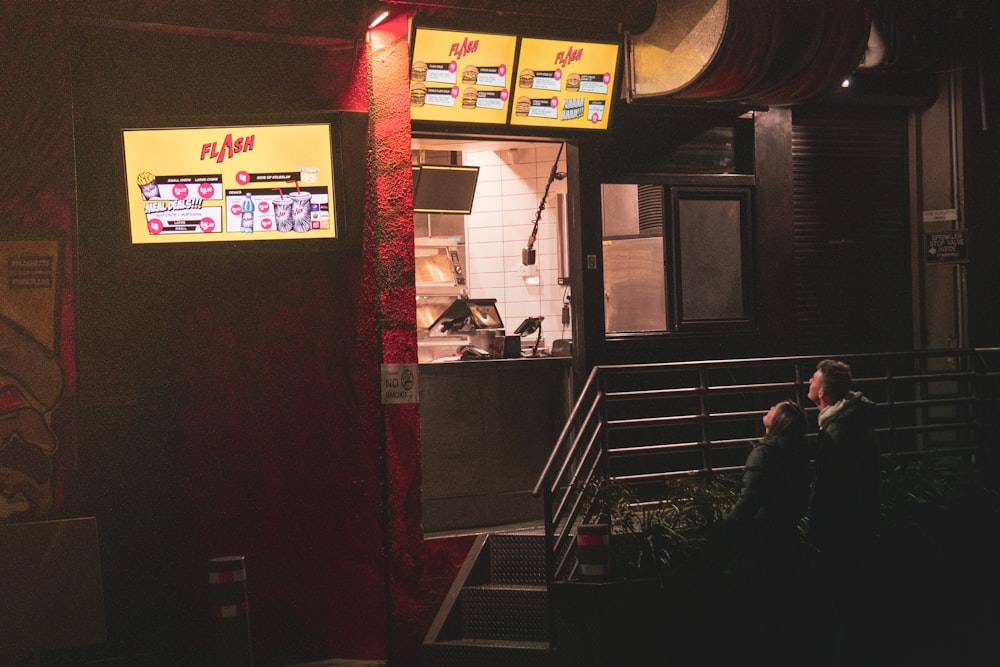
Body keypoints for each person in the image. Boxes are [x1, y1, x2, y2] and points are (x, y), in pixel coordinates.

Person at [805, 358, 881, 665]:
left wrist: (818, 526)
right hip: (860, 523)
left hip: (842, 529)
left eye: (812, 379)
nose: (807, 383)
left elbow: (831, 484)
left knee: (843, 596)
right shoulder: (852, 420)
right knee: (854, 594)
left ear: (822, 392)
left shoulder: (837, 430)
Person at [726, 400, 812, 662]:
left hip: (761, 544)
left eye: (775, 407)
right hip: (787, 540)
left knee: (759, 611)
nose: (769, 409)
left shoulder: (764, 453)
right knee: (784, 613)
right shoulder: (798, 452)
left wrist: (726, 528)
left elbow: (749, 501)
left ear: (780, 420)